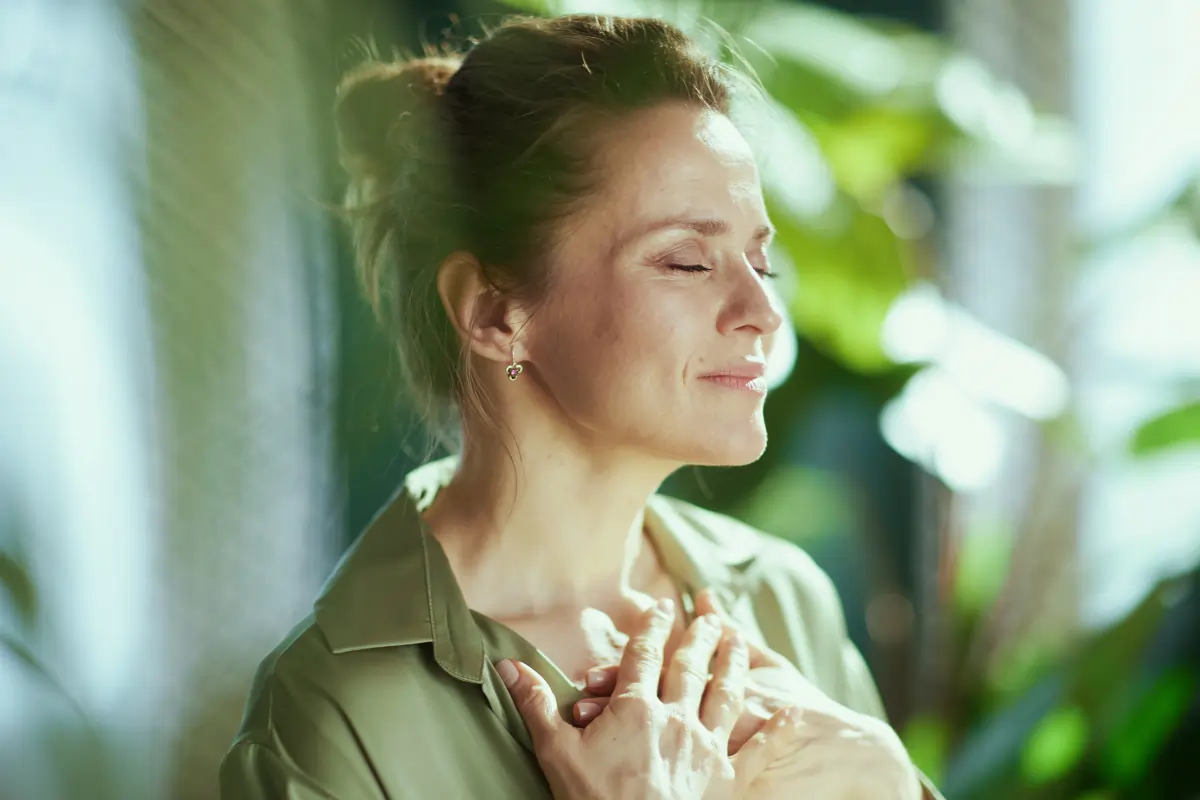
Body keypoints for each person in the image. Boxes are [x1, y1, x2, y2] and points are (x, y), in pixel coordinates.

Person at [220, 13, 943, 799]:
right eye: (687, 260)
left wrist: (887, 775)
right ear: (496, 312)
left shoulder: (781, 598)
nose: (763, 312)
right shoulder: (337, 715)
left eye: (760, 261)